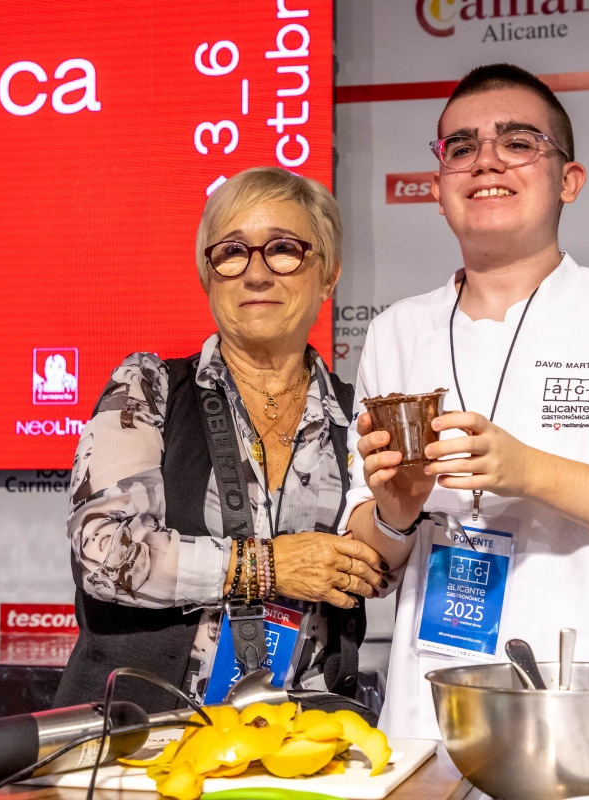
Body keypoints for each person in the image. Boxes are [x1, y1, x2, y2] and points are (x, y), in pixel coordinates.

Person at [341, 64, 589, 756]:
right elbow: (369, 554)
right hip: (427, 726)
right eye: (460, 148)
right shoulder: (397, 332)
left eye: (518, 142)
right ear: (437, 189)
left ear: (568, 179)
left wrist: (530, 471)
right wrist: (395, 511)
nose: (486, 159)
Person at [55, 167, 387, 713]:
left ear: (328, 277)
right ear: (208, 277)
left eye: (284, 249)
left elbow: (382, 564)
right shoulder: (148, 387)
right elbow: (105, 554)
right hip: (138, 739)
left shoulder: (361, 415)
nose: (256, 274)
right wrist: (270, 567)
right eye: (231, 252)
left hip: (302, 742)